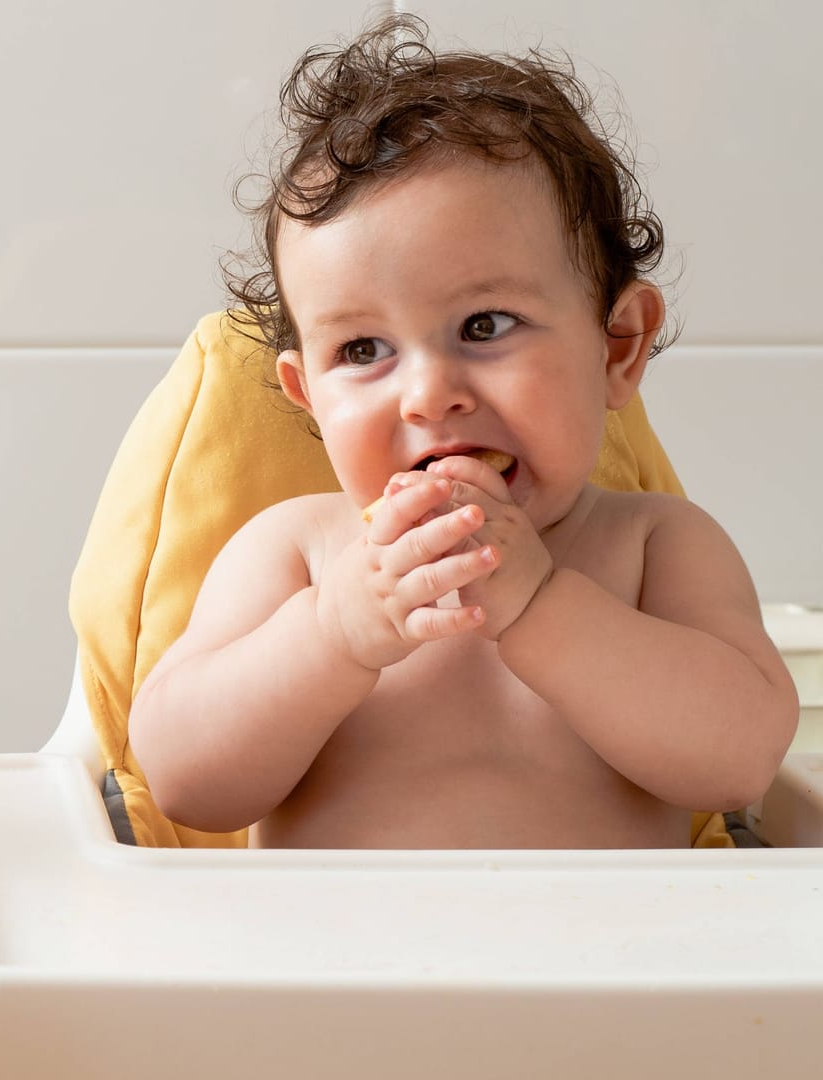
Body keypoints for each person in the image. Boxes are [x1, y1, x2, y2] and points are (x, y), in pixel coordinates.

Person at [126, 15, 797, 847]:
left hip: (609, 972)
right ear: (307, 398)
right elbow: (186, 782)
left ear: (617, 347)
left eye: (484, 325)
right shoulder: (300, 555)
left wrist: (545, 607)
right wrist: (334, 633)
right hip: (334, 972)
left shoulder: (655, 547)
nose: (428, 396)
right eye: (363, 350)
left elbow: (741, 759)